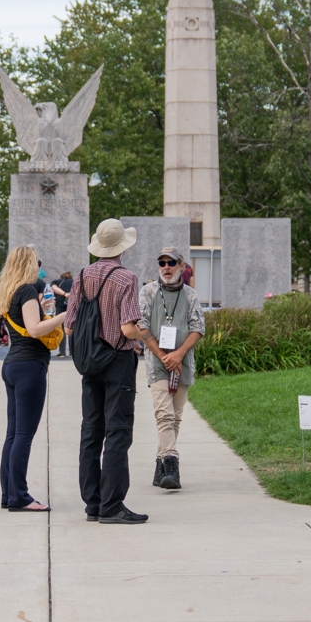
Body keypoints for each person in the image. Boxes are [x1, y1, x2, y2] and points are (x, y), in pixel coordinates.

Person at [66, 218, 148, 524]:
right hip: (117, 361)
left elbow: (69, 327)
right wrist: (142, 334)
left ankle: (93, 503)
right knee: (117, 431)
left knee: (91, 431)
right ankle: (112, 505)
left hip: (90, 362)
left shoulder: (82, 275)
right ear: (122, 247)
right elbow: (127, 328)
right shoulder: (126, 278)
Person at [0, 246, 64, 512]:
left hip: (13, 364)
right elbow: (34, 329)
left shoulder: (11, 290)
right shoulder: (26, 290)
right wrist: (64, 315)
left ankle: (9, 494)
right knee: (24, 434)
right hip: (29, 366)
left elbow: (26, 322)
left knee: (13, 434)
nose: (39, 267)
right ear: (28, 264)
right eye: (37, 262)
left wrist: (42, 308)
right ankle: (20, 497)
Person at [134, 246, 205, 491]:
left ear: (182, 267)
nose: (166, 267)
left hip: (182, 362)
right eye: (162, 263)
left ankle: (160, 466)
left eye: (171, 263)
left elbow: (198, 328)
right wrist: (164, 356)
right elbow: (142, 326)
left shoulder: (191, 295)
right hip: (158, 363)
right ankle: (172, 465)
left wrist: (178, 354)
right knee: (163, 414)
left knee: (175, 417)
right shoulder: (148, 292)